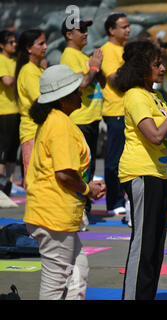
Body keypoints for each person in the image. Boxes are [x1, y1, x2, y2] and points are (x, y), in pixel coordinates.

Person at [24, 64, 106, 299]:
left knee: (78, 272)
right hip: (53, 214)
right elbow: (64, 173)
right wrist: (89, 189)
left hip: (51, 212)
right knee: (56, 282)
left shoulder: (54, 120)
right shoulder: (60, 124)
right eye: (75, 90)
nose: (81, 92)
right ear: (62, 99)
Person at [115, 41, 167, 300]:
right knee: (143, 242)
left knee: (156, 243)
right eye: (157, 64)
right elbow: (155, 136)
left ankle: (146, 295)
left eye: (162, 62)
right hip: (140, 172)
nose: (163, 68)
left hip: (157, 173)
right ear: (142, 67)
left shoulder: (154, 95)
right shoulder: (135, 95)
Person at [60, 17, 105, 219]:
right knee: (82, 168)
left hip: (91, 117)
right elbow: (81, 84)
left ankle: (83, 209)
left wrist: (98, 67)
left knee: (90, 166)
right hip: (81, 119)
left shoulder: (82, 54)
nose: (85, 33)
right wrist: (94, 68)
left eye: (87, 29)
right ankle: (78, 210)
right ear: (69, 35)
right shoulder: (69, 56)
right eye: (81, 30)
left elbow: (99, 82)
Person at [100, 12, 130, 215]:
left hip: (129, 109)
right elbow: (115, 80)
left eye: (128, 26)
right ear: (111, 30)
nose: (128, 30)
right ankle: (114, 200)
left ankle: (123, 198)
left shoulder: (125, 49)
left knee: (128, 157)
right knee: (114, 159)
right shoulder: (107, 50)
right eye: (123, 27)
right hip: (115, 110)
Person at [14, 29, 47, 189]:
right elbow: (41, 100)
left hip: (42, 131)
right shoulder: (28, 71)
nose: (46, 47)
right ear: (28, 48)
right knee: (34, 182)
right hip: (32, 132)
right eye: (41, 44)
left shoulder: (37, 70)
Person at [0, 30, 19, 182]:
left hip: (17, 109)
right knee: (3, 149)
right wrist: (21, 74)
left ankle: (10, 182)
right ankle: (1, 182)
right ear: (1, 45)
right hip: (4, 110)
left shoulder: (15, 61)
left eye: (15, 42)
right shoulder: (1, 60)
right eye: (10, 42)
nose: (15, 44)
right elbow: (7, 81)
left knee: (13, 149)